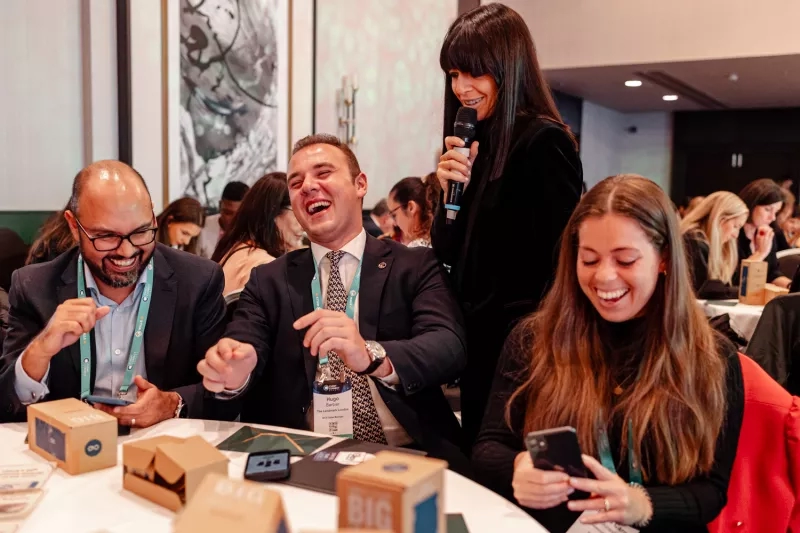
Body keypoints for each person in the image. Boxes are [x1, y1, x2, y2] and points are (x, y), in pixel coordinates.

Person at [472, 175, 743, 532]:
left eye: (626, 260)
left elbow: (712, 490)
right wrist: (518, 467)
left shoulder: (712, 358)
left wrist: (642, 503)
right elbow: (489, 446)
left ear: (663, 259)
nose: (604, 278)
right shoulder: (534, 339)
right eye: (588, 260)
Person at [198, 134, 469, 473]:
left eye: (323, 173)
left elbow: (448, 345)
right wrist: (234, 371)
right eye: (295, 182)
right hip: (305, 458)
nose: (307, 186)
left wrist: (371, 354)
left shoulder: (414, 266)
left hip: (407, 455)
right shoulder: (268, 280)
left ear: (360, 184)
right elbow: (245, 339)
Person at [431, 3, 583, 450]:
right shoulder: (473, 141)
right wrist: (447, 199)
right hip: (478, 344)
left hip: (523, 349)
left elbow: (555, 264)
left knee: (511, 467)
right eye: (454, 74)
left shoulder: (543, 141)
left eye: (474, 73)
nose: (461, 88)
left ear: (507, 67)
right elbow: (447, 252)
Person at [0, 161, 226, 426]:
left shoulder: (198, 281)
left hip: (163, 446)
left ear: (153, 219)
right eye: (106, 236)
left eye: (141, 232)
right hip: (70, 451)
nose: (126, 252)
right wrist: (40, 350)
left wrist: (171, 403)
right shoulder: (35, 286)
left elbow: (220, 394)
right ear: (74, 226)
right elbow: (7, 403)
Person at [211, 172, 303, 295]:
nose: (304, 223)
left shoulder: (239, 249)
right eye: (298, 211)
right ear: (273, 213)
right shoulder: (263, 265)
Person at [680, 192, 748, 299]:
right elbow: (703, 289)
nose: (736, 235)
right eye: (735, 226)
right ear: (720, 219)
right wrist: (743, 292)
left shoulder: (713, 244)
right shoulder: (692, 241)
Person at [735, 179, 791, 288]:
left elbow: (772, 274)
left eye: (776, 212)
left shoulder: (768, 232)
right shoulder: (733, 233)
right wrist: (760, 253)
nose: (773, 217)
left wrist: (791, 286)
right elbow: (735, 279)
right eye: (767, 209)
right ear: (751, 204)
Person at [387, 174, 441, 248]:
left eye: (394, 215)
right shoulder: (443, 238)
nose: (395, 223)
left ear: (411, 207)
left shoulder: (417, 249)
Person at [199, 181, 250, 258]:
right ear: (220, 205)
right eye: (227, 213)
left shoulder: (252, 234)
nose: (232, 220)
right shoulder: (202, 226)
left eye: (238, 215)